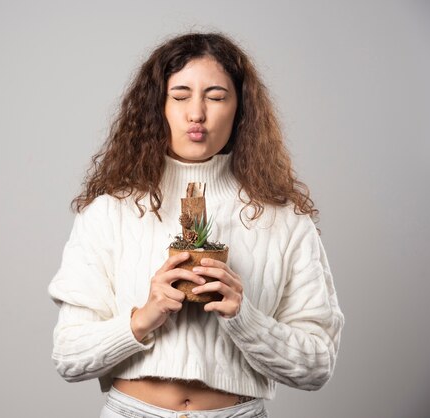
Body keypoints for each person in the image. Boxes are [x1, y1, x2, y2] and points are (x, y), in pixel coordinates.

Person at [48, 32, 344, 418]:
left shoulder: (284, 217)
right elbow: (69, 357)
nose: (197, 113)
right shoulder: (109, 211)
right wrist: (144, 318)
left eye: (217, 97)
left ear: (241, 108)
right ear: (158, 106)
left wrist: (243, 318)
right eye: (181, 95)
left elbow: (317, 365)